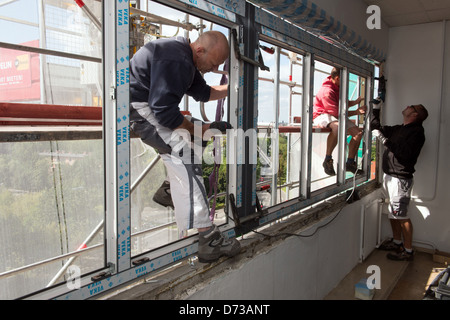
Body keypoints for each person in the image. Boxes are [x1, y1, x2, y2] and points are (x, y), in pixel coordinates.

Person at [129, 31, 241, 263]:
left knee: (198, 138)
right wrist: (199, 128)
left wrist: (236, 87)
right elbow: (163, 111)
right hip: (137, 107)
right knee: (185, 154)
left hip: (150, 105)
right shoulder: (177, 58)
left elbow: (204, 92)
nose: (212, 69)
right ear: (200, 51)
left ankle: (170, 190)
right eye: (213, 63)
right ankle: (208, 238)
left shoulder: (187, 60)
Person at [371, 101, 428, 261]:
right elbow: (376, 129)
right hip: (390, 177)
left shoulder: (417, 133)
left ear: (414, 114)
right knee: (393, 213)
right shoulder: (401, 129)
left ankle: (408, 251)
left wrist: (384, 141)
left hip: (400, 179)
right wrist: (376, 109)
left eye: (413, 106)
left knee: (401, 215)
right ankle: (397, 242)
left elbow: (404, 154)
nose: (409, 105)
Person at [313, 67, 366, 175]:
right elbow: (337, 113)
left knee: (358, 134)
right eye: (344, 79)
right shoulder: (327, 91)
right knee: (337, 127)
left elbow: (343, 102)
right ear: (337, 78)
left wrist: (355, 102)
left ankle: (350, 163)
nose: (346, 82)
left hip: (335, 114)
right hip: (322, 114)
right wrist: (356, 112)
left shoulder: (337, 86)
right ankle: (327, 160)